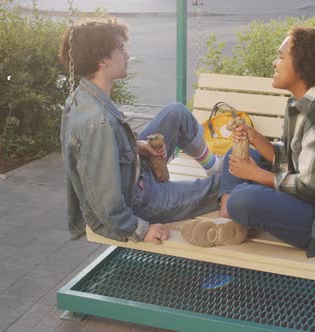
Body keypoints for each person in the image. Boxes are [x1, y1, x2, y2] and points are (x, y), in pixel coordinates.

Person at [58, 18, 222, 245]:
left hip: (133, 174)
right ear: (102, 60)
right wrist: (140, 230)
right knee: (225, 184)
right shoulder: (99, 124)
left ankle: (213, 166)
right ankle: (225, 177)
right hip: (141, 201)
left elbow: (100, 153)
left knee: (176, 112)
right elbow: (106, 201)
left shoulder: (85, 97)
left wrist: (139, 147)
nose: (126, 55)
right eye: (121, 48)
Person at [218, 27, 315, 256]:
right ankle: (227, 220)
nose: (275, 62)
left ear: (303, 66)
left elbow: (310, 190)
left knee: (244, 199)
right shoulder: (303, 102)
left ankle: (234, 211)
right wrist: (256, 139)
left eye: (281, 57)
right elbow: (296, 158)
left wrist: (256, 175)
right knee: (234, 158)